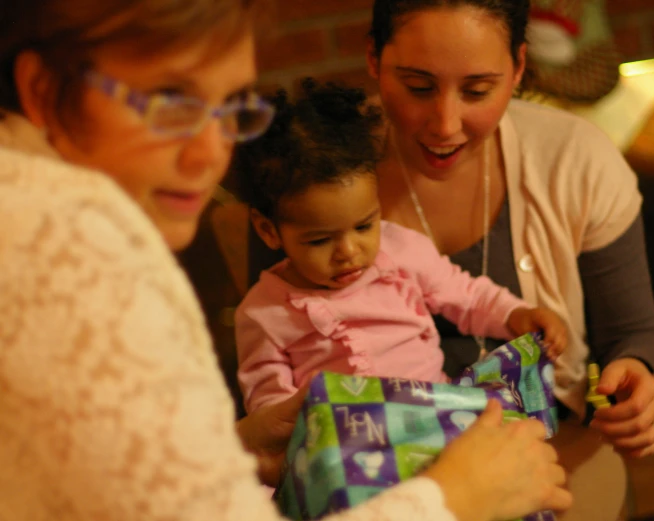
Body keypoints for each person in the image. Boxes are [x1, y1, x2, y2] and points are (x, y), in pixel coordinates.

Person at [0, 1, 572, 520]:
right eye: (170, 104)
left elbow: (466, 294)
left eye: (228, 110)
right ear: (45, 91)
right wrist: (456, 499)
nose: (210, 154)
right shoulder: (68, 260)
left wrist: (242, 445)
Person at [364, 0, 654, 519]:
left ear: (519, 68)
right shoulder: (317, 166)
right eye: (419, 87)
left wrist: (639, 377)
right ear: (373, 59)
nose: (445, 124)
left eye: (478, 91)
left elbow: (635, 332)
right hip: (384, 485)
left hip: (555, 463)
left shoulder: (575, 158)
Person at [232, 79, 566, 412]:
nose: (349, 251)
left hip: (441, 415)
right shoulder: (264, 313)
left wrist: (517, 314)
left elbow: (467, 297)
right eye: (320, 239)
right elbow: (268, 405)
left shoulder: (401, 250)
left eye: (364, 225)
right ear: (268, 230)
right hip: (351, 450)